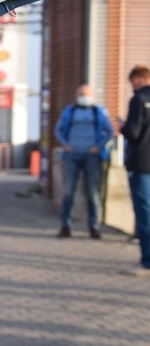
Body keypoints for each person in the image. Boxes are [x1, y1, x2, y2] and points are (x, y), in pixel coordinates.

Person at [53, 84, 114, 239]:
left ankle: (94, 227)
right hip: (72, 155)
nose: (83, 96)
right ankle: (65, 225)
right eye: (81, 93)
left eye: (86, 94)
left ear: (92, 96)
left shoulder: (98, 111)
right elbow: (58, 130)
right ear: (76, 95)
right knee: (68, 192)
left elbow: (109, 132)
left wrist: (98, 147)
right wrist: (65, 144)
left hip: (91, 156)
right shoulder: (70, 111)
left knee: (93, 193)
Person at [120, 65, 150, 276]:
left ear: (137, 80)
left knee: (144, 211)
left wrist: (122, 126)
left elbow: (133, 131)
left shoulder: (138, 100)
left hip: (141, 164)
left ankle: (147, 260)